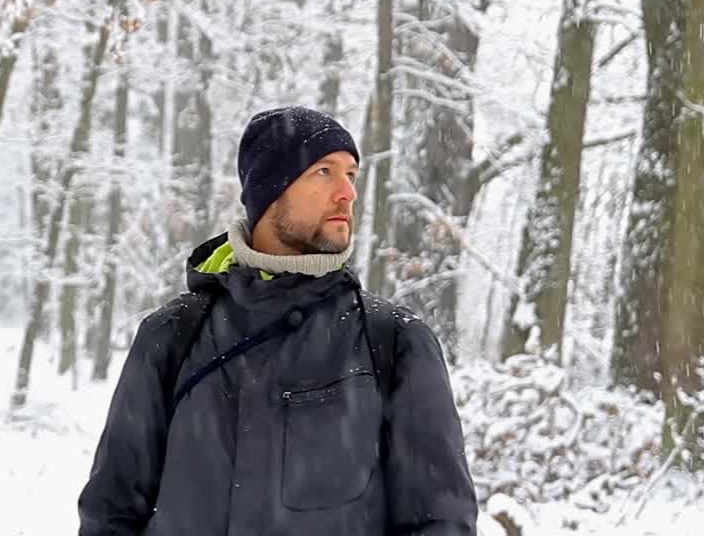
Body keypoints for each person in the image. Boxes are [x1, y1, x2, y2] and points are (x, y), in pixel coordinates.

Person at [78, 106, 477, 535]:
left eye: (352, 175)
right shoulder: (173, 336)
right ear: (271, 190)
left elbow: (441, 523)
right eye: (324, 171)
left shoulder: (393, 342)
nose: (348, 193)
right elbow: (112, 514)